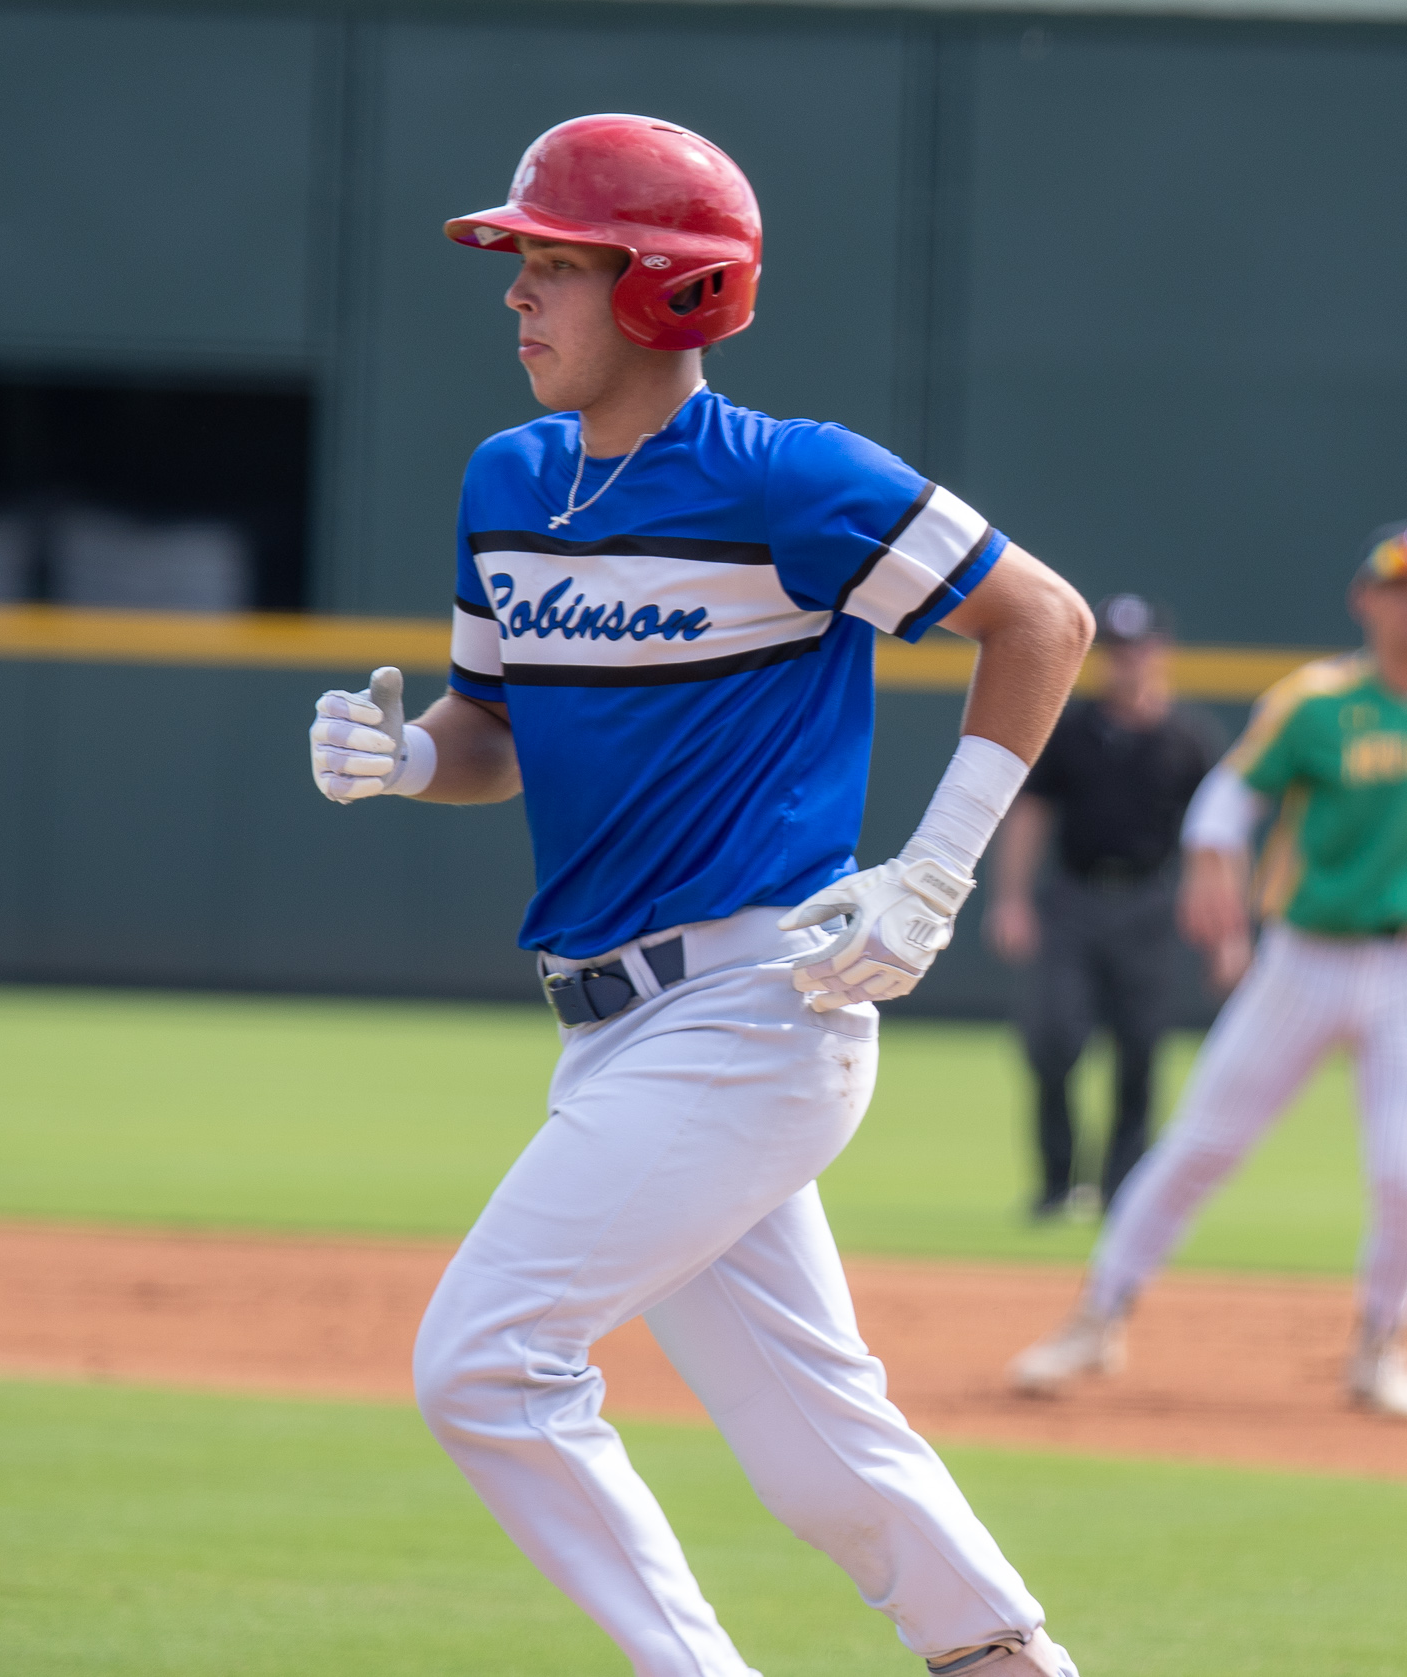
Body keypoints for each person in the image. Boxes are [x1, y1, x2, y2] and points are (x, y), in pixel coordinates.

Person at [307, 115, 1093, 1677]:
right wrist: (408, 759)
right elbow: (493, 734)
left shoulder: (791, 477)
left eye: (553, 264)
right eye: (519, 263)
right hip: (613, 1033)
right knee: (817, 1437)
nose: (516, 294)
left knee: (485, 1364)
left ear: (667, 287)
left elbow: (1046, 621)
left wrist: (934, 870)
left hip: (754, 1013)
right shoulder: (508, 480)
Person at [1008, 524, 1407, 1422]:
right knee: (1201, 1145)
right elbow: (1226, 799)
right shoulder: (1317, 702)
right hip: (1305, 960)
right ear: (1366, 601)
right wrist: (1213, 864)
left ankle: (1382, 1346)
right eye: (1401, 589)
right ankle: (1099, 1316)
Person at [986, 594, 1221, 1218]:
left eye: (1138, 648)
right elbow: (1030, 815)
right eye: (1116, 650)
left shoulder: (1187, 739)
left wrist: (1217, 916)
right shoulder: (1071, 730)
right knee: (1055, 1040)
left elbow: (1214, 833)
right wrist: (1011, 900)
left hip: (1147, 902)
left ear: (1161, 652)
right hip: (1074, 899)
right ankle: (1057, 1184)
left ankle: (1124, 1189)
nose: (1128, 661)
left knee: (1140, 1049)